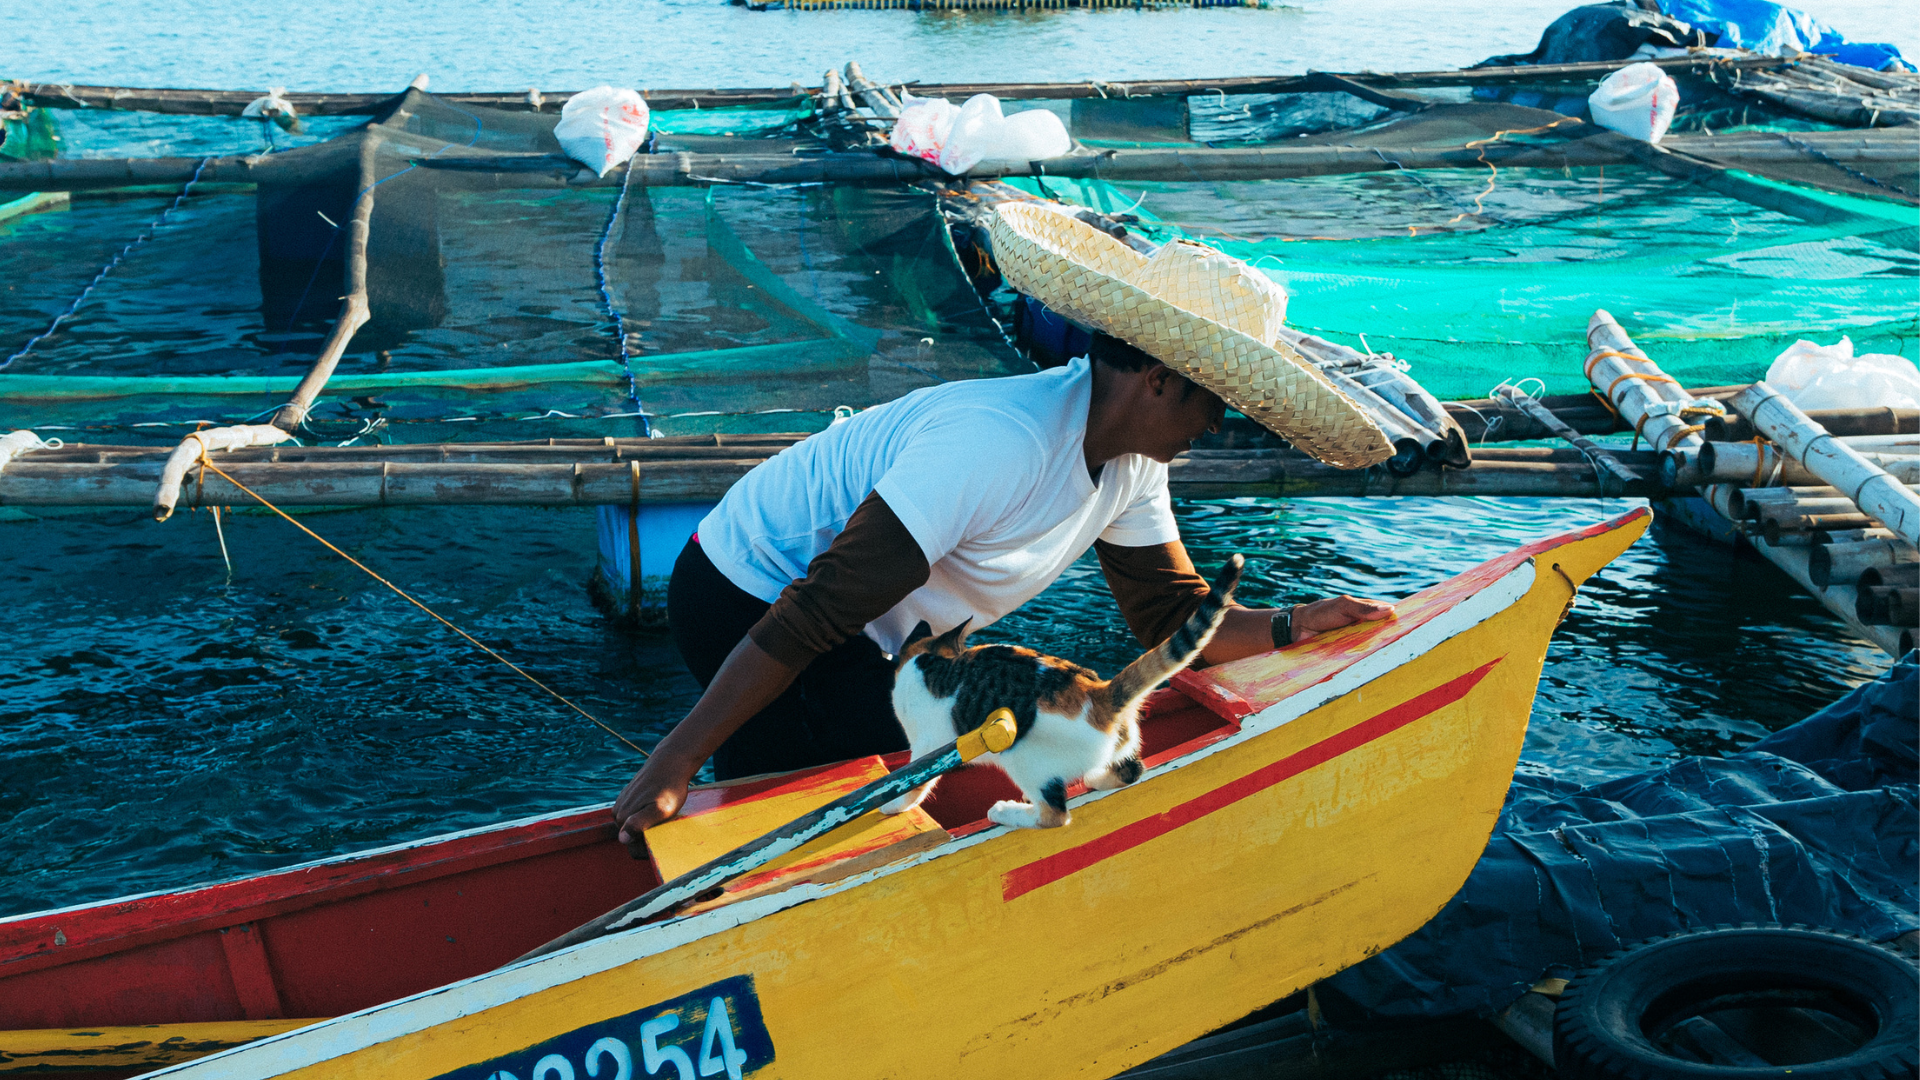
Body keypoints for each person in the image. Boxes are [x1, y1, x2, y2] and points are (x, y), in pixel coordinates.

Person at [613, 205, 1399, 852]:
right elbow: (818, 610)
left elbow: (1171, 616)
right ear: (1158, 380)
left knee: (913, 750)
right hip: (742, 590)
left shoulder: (1132, 465)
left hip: (845, 629)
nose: (1221, 424)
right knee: (860, 772)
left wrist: (1296, 625)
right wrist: (677, 757)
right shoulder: (999, 443)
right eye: (1214, 401)